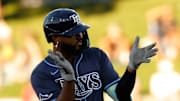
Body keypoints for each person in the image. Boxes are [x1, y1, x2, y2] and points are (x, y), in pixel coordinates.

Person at [30, 8, 158, 101]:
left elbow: (121, 96)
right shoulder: (42, 73)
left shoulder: (96, 56)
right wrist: (69, 79)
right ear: (55, 38)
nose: (80, 37)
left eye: (80, 32)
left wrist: (131, 69)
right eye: (73, 34)